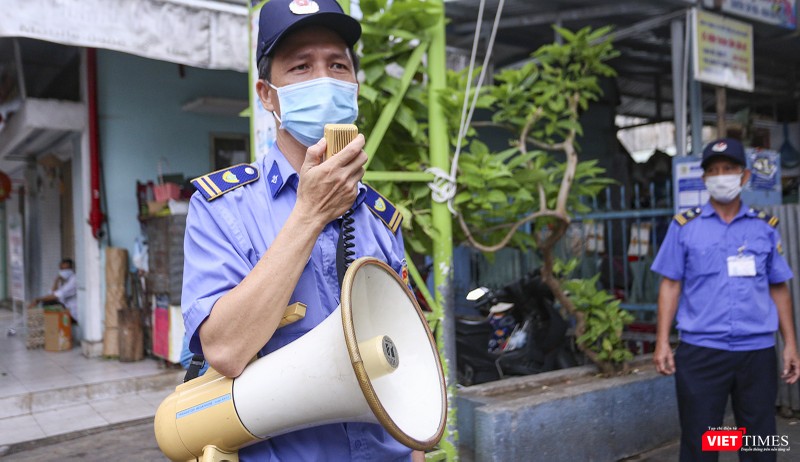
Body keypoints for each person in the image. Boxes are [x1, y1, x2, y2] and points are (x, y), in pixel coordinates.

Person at [181, 0, 419, 460]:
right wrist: (310, 214)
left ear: (354, 86)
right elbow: (225, 349)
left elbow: (405, 359)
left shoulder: (379, 218)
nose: (324, 79)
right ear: (267, 95)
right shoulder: (221, 209)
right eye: (301, 67)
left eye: (337, 65)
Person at [651, 137, 800, 461]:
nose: (721, 176)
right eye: (714, 170)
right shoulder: (684, 227)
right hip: (702, 351)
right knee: (703, 440)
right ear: (704, 178)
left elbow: (778, 286)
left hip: (756, 352)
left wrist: (790, 343)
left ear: (744, 176)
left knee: (758, 440)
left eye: (729, 169)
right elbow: (670, 284)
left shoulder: (764, 227)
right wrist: (662, 342)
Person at [29, 258, 77, 324]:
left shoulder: (74, 280)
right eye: (62, 269)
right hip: (65, 307)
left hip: (73, 312)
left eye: (66, 269)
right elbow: (51, 293)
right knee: (44, 304)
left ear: (71, 269)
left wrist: (38, 299)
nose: (64, 271)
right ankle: (43, 326)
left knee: (47, 303)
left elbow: (57, 295)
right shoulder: (62, 280)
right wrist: (57, 279)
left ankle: (51, 326)